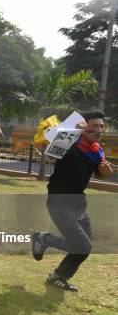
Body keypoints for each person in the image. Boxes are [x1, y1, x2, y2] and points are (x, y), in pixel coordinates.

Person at [32, 110, 113, 292]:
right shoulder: (70, 144)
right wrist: (71, 132)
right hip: (59, 200)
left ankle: (58, 276)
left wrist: (104, 172)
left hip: (78, 202)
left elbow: (98, 172)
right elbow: (53, 153)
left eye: (101, 126)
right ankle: (44, 239)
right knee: (82, 245)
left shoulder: (97, 150)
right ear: (84, 127)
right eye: (94, 126)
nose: (99, 130)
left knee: (84, 248)